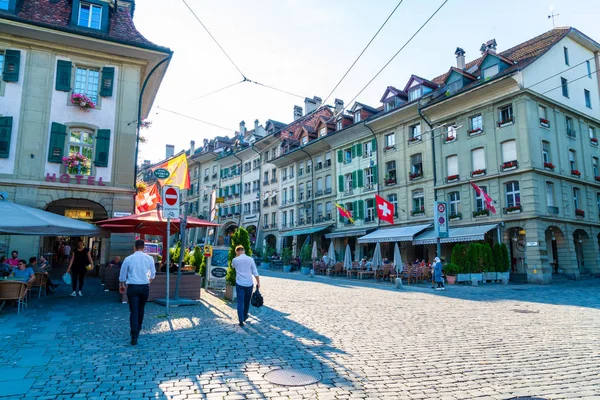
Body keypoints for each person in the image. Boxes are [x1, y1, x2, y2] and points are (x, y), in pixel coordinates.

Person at [119, 239, 155, 345]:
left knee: (133, 311)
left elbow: (122, 274)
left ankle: (134, 335)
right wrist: (148, 282)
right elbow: (153, 274)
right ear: (144, 247)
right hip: (144, 287)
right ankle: (138, 328)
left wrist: (122, 284)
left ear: (134, 247)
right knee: (141, 309)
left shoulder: (128, 259)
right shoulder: (149, 258)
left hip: (133, 287)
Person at [232, 245, 260, 327]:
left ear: (237, 251)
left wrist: (236, 257)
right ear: (243, 250)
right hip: (249, 284)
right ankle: (244, 316)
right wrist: (258, 282)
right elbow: (255, 271)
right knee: (247, 301)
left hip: (239, 284)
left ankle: (240, 320)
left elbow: (233, 266)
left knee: (240, 302)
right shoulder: (250, 259)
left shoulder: (235, 260)